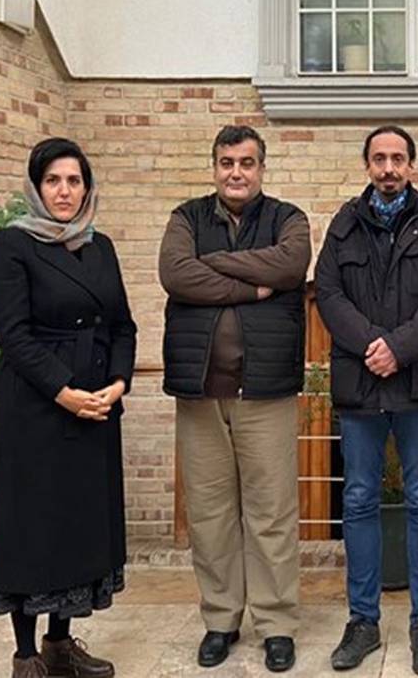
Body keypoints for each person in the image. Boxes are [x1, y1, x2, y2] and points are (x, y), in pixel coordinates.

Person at [158, 125, 311, 671]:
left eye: (247, 163)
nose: (236, 172)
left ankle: (276, 623)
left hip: (265, 391)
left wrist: (214, 261)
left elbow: (290, 267)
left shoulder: (288, 218)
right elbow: (175, 273)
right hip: (200, 392)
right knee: (210, 514)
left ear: (261, 168)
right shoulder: (186, 217)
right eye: (227, 162)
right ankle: (221, 619)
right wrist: (251, 286)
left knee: (271, 513)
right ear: (215, 167)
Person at [0, 138, 137, 678]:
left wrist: (117, 383)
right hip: (38, 407)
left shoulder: (100, 246)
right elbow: (14, 335)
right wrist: (64, 391)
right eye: (53, 181)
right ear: (36, 187)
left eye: (74, 181)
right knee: (35, 527)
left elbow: (122, 325)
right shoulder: (12, 244)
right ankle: (26, 655)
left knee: (77, 525)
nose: (64, 191)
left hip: (96, 405)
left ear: (87, 187)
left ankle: (59, 644)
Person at [315, 125, 418, 676]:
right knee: (357, 499)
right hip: (361, 386)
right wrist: (370, 345)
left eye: (398, 158)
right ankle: (363, 622)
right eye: (379, 158)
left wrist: (398, 349)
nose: (388, 168)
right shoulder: (343, 226)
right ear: (367, 166)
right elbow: (328, 292)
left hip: (417, 385)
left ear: (412, 166)